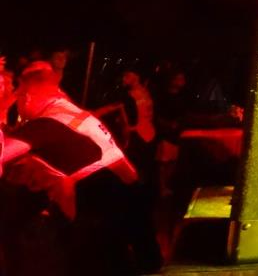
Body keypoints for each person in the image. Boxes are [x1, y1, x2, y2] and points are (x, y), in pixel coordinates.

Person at [0, 61, 161, 274]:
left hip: (101, 205)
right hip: (126, 191)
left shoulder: (49, 121)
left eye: (18, 98)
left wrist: (2, 108)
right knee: (140, 262)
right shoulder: (71, 112)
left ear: (27, 98)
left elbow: (5, 152)